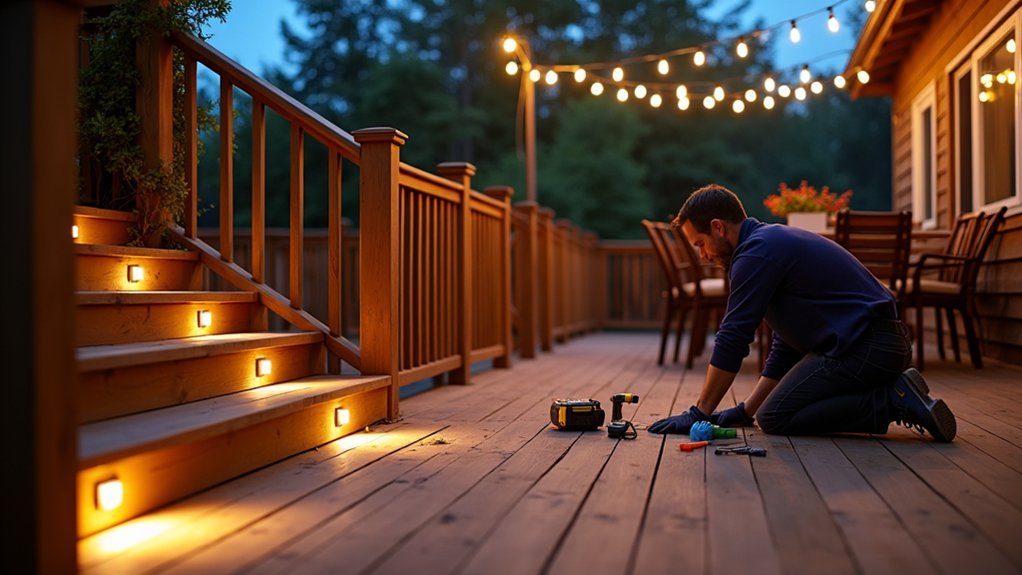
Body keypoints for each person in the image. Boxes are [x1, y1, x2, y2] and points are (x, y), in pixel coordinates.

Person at [647, 184, 956, 442]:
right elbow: (787, 344)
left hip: (868, 347)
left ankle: (893, 399)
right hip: (876, 344)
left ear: (718, 227)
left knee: (776, 416)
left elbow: (733, 337)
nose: (703, 256)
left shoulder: (755, 254)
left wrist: (699, 413)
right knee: (769, 410)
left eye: (701, 244)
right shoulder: (766, 243)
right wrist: (745, 411)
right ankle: (893, 392)